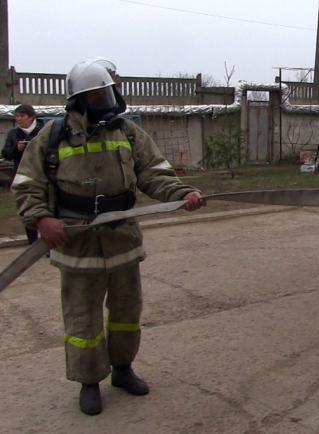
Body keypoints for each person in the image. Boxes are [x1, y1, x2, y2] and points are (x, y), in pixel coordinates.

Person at [11, 58, 206, 416]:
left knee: (126, 311)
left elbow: (154, 172)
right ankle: (89, 382)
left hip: (122, 240)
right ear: (79, 100)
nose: (106, 100)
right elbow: (26, 185)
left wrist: (182, 193)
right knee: (82, 318)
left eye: (108, 93)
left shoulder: (128, 133)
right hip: (77, 242)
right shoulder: (51, 137)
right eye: (97, 95)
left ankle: (122, 369)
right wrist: (41, 219)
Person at [2, 104, 44, 245]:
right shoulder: (13, 133)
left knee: (46, 210)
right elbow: (6, 153)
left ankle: (47, 243)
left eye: (22, 116)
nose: (19, 119)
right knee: (27, 210)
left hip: (42, 175)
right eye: (17, 116)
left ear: (31, 117)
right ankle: (33, 243)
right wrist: (17, 148)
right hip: (23, 176)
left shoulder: (43, 130)